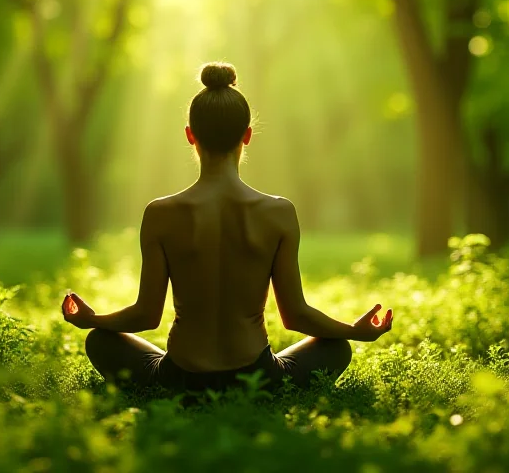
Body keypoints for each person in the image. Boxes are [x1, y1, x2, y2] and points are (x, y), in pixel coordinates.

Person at [61, 62, 393, 393]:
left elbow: (146, 316)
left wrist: (93, 321)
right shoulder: (278, 212)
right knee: (336, 348)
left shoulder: (160, 213)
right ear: (247, 136)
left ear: (190, 135)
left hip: (179, 379)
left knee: (100, 342)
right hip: (257, 379)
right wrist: (353, 330)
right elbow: (296, 316)